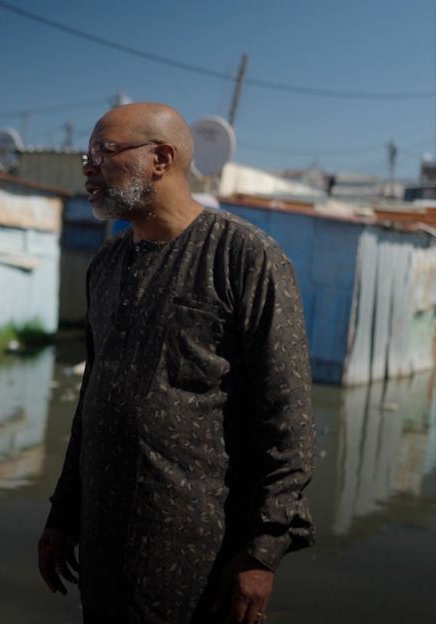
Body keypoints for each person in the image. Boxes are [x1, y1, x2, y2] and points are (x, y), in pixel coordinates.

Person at [37, 103, 315, 624]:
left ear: (160, 159)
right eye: (86, 154)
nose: (88, 167)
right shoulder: (107, 266)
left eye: (103, 152)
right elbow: (91, 401)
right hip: (103, 549)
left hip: (199, 554)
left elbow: (290, 420)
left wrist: (262, 550)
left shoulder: (245, 258)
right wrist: (62, 513)